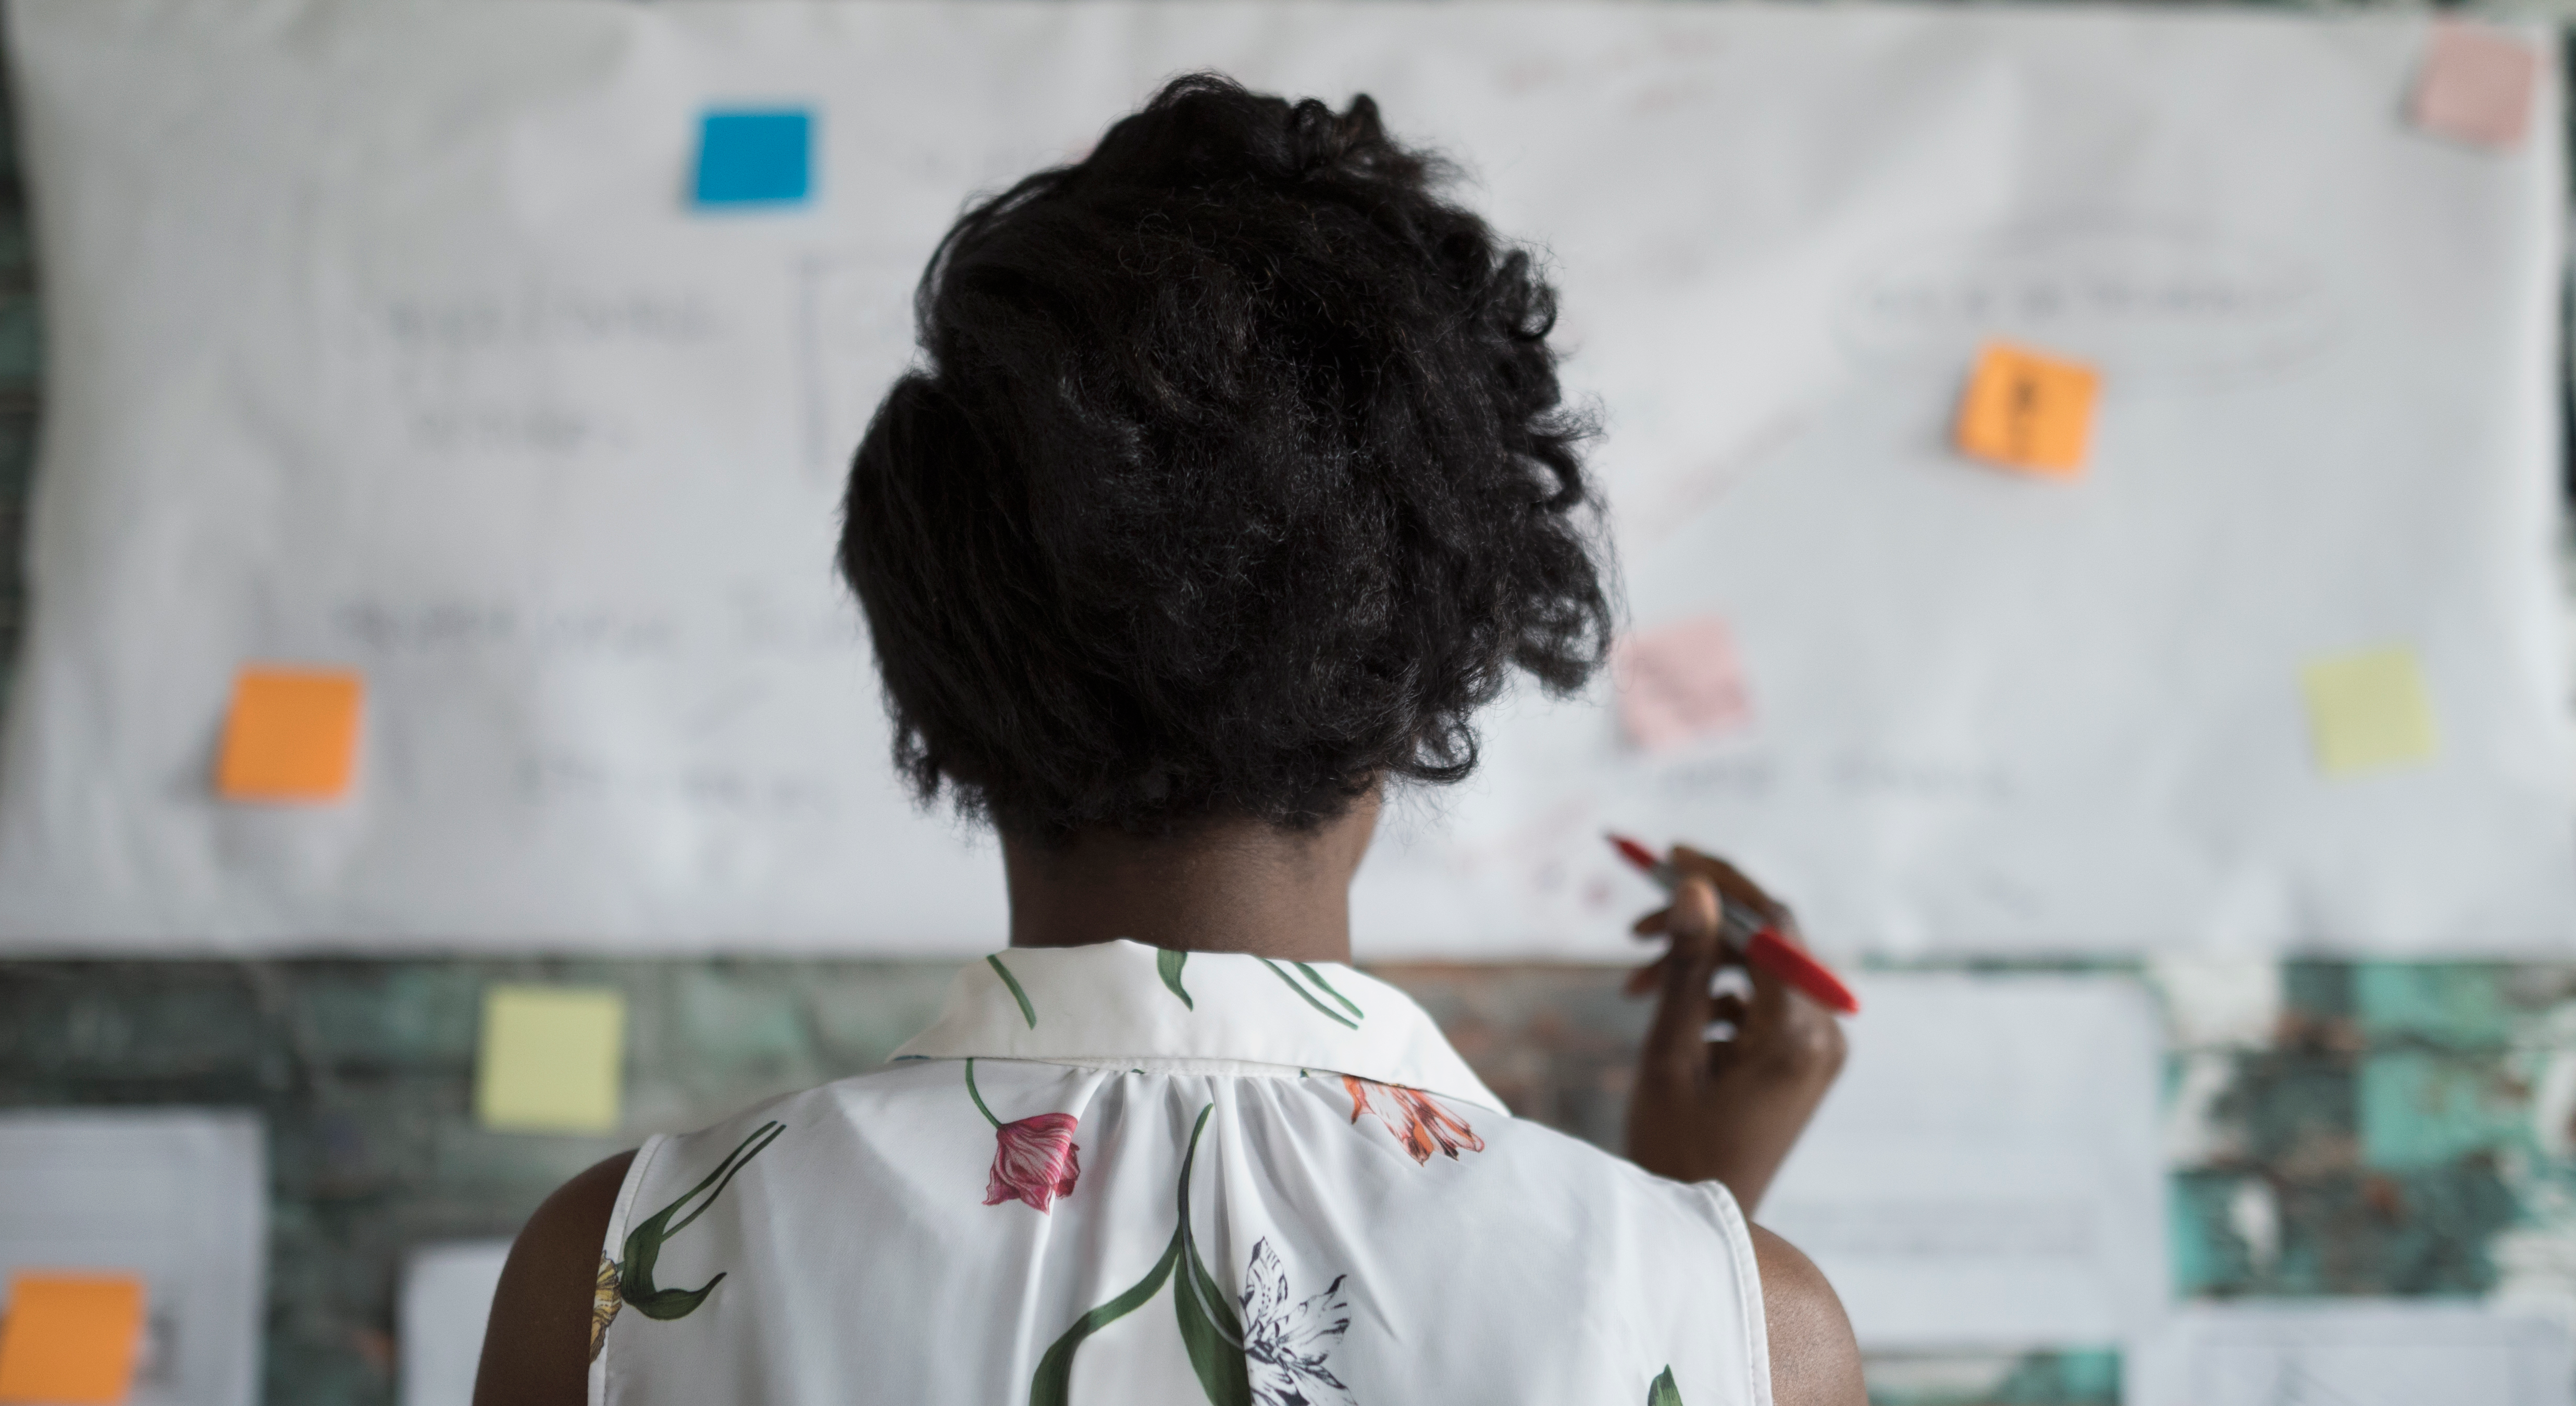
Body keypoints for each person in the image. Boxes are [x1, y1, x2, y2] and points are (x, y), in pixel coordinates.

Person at [475, 74, 1862, 1405]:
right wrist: (1702, 1266)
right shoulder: (1756, 1329)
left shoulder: (607, 1281)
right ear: (1440, 654)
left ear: (938, 648)